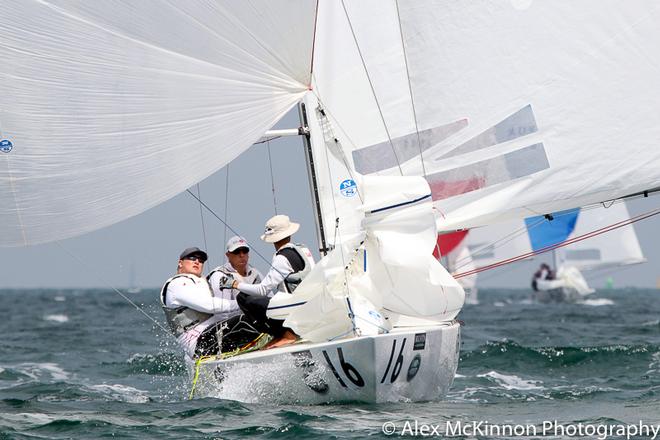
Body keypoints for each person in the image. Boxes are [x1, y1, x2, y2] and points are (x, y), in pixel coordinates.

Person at [227, 215, 315, 348]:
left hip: (294, 310)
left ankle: (286, 335)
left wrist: (236, 285)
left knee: (244, 298)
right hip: (309, 306)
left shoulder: (281, 258)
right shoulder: (303, 249)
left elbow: (263, 290)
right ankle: (284, 334)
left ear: (273, 239)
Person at [159, 247, 237, 359]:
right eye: (192, 258)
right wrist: (242, 304)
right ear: (180, 263)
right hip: (198, 342)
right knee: (245, 322)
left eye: (201, 260)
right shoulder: (176, 284)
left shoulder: (201, 281)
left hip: (213, 334)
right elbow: (210, 306)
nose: (197, 262)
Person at [201, 236, 265, 353]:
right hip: (230, 331)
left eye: (244, 251)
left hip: (254, 325)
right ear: (228, 255)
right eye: (236, 252)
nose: (241, 255)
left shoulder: (256, 274)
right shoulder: (220, 276)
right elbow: (222, 314)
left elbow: (268, 298)